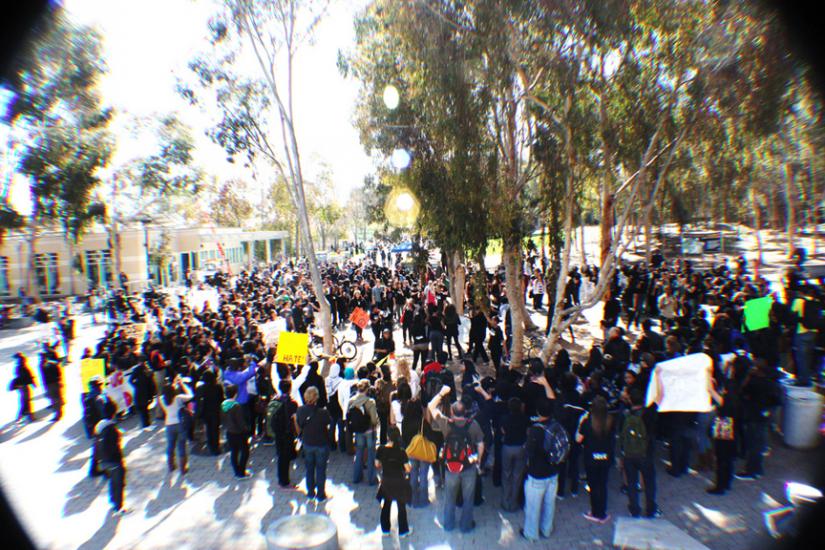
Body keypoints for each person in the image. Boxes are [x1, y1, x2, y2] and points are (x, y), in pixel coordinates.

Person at [428, 385, 484, 533]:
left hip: (450, 468)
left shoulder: (446, 423)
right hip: (468, 467)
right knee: (468, 498)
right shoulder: (473, 425)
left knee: (450, 497)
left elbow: (430, 406)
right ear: (465, 412)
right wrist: (478, 460)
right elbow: (480, 444)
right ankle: (466, 526)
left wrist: (441, 393)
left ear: (452, 413)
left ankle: (448, 524)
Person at [521, 399, 562, 541]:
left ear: (538, 412)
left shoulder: (535, 430)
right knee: (550, 503)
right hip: (553, 471)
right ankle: (547, 529)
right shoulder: (556, 425)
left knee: (533, 506)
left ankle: (531, 533)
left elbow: (529, 451)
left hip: (537, 474)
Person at [619, 387, 660, 517]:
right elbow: (660, 397)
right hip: (645, 453)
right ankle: (651, 509)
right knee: (649, 482)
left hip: (629, 454)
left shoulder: (625, 414)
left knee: (631, 482)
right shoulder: (649, 413)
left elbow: (621, 435)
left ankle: (634, 509)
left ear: (630, 399)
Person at [576, 395, 615, 523]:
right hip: (606, 457)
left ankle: (595, 512)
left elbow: (578, 439)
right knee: (603, 484)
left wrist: (580, 423)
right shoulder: (611, 421)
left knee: (593, 485)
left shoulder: (587, 422)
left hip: (591, 458)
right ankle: (602, 512)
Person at [295, 386, 332, 502]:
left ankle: (310, 493)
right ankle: (321, 494)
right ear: (317, 397)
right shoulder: (323, 412)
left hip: (308, 443)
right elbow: (329, 423)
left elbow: (300, 424)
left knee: (309, 469)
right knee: (321, 470)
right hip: (321, 443)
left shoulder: (300, 410)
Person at [376, 427, 413, 537]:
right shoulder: (401, 451)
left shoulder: (380, 449)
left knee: (386, 505)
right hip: (399, 482)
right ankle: (403, 531)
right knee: (401, 506)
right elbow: (408, 469)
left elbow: (377, 464)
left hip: (386, 481)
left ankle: (385, 530)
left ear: (388, 437)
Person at [94, 401, 130, 515]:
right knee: (119, 483)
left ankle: (112, 500)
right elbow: (114, 447)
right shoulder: (112, 429)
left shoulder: (99, 426)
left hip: (103, 461)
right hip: (113, 460)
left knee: (112, 481)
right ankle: (119, 507)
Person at [159, 376, 194, 475]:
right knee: (181, 446)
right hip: (180, 423)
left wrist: (173, 383)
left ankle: (171, 465)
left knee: (170, 446)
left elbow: (168, 391)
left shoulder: (162, 399)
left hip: (169, 424)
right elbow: (191, 395)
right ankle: (183, 468)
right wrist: (182, 385)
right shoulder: (178, 398)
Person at [349, 379, 379, 485]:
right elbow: (374, 419)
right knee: (371, 454)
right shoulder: (370, 402)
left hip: (358, 431)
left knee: (359, 453)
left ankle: (356, 477)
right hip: (369, 430)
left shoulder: (351, 401)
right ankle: (371, 479)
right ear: (367, 389)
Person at [500, 396, 528, 512]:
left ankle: (506, 501)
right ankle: (514, 502)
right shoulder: (525, 419)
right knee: (518, 475)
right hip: (520, 447)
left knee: (506, 474)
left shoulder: (504, 418)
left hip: (507, 447)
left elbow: (502, 431)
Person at [272, 379, 299, 489]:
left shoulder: (275, 401)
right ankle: (284, 481)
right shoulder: (292, 403)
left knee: (281, 456)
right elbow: (295, 419)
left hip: (278, 433)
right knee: (285, 458)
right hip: (287, 433)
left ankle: (281, 478)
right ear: (290, 389)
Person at [222, 384, 252, 479]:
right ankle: (241, 471)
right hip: (239, 433)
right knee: (245, 451)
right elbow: (240, 422)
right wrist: (246, 429)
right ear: (235, 394)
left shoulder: (223, 404)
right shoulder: (236, 406)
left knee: (234, 452)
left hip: (229, 432)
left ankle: (237, 471)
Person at [196, 369, 224, 455]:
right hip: (215, 411)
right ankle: (216, 446)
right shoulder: (218, 387)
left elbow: (198, 400)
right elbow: (221, 399)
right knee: (215, 429)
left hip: (205, 412)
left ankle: (210, 445)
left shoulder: (200, 388)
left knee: (208, 429)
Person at [38, 343, 64, 422]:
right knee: (54, 398)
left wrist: (59, 380)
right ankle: (57, 412)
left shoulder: (52, 364)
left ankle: (58, 414)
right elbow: (43, 376)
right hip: (49, 384)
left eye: (43, 358)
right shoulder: (42, 365)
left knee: (56, 399)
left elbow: (59, 372)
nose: (42, 360)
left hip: (54, 383)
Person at [9, 353, 36, 423]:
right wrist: (33, 383)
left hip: (22, 386)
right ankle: (26, 415)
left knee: (24, 400)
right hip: (24, 386)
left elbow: (26, 376)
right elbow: (29, 376)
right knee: (26, 400)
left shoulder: (19, 367)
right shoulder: (23, 367)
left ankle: (23, 415)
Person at [128, 362, 155, 428]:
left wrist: (136, 385)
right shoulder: (147, 373)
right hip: (146, 393)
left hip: (139, 393)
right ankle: (147, 424)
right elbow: (151, 385)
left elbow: (130, 380)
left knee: (143, 410)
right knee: (145, 410)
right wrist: (152, 395)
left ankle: (145, 424)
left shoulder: (137, 372)